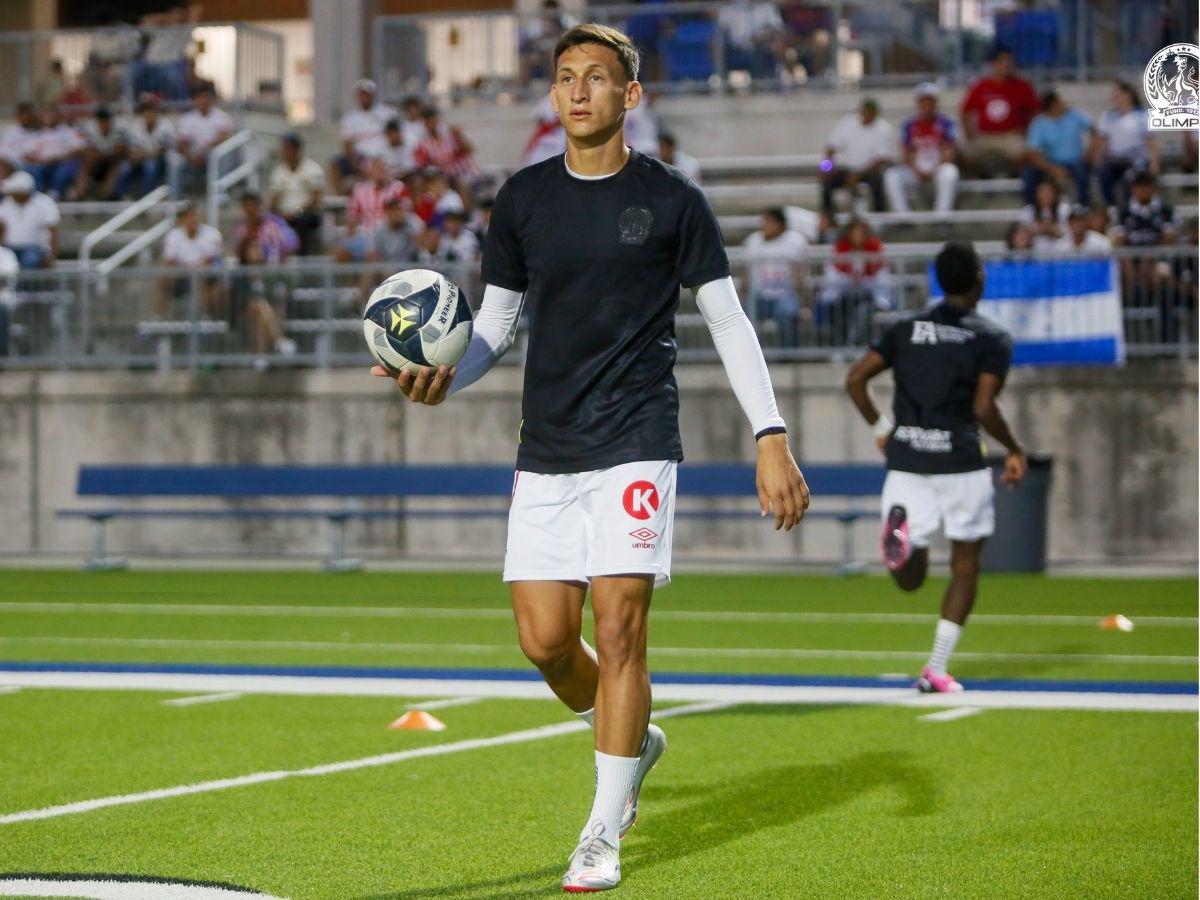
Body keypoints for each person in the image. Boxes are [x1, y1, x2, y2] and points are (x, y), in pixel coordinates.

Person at [372, 23, 808, 892]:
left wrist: (771, 435)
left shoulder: (676, 201)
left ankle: (601, 832)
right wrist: (444, 381)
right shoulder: (524, 199)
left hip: (639, 442)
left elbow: (727, 320)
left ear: (629, 96)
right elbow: (495, 327)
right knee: (544, 643)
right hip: (548, 450)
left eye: (596, 78)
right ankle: (635, 741)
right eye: (565, 77)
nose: (577, 91)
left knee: (620, 628)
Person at [844, 240, 1026, 694]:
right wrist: (1015, 449)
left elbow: (855, 379)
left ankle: (903, 541)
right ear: (979, 281)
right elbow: (984, 407)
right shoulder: (991, 338)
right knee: (965, 565)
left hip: (907, 459)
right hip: (962, 462)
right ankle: (936, 668)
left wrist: (882, 428)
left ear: (940, 281)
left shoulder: (906, 329)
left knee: (910, 581)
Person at [959, 46, 1039, 177]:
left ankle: (1011, 175)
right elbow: (965, 111)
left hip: (1010, 136)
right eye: (1002, 62)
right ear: (994, 64)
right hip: (985, 136)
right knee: (964, 155)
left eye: (1009, 63)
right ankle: (983, 177)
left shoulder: (1022, 86)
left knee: (1026, 153)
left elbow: (1035, 110)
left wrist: (1026, 130)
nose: (1006, 66)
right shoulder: (981, 86)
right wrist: (969, 133)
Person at [885, 82, 959, 215]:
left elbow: (950, 151)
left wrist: (935, 168)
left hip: (938, 166)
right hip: (916, 168)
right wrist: (916, 170)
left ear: (936, 103)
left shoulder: (946, 123)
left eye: (930, 101)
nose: (926, 106)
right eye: (923, 102)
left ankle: (942, 216)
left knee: (950, 172)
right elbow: (905, 152)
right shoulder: (908, 125)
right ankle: (903, 217)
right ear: (917, 103)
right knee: (892, 175)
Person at [741, 206, 806, 347]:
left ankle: (787, 355)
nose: (763, 225)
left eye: (768, 221)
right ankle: (753, 353)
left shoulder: (795, 241)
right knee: (741, 313)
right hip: (759, 295)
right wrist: (744, 294)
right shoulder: (753, 241)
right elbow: (745, 272)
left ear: (780, 224)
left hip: (785, 294)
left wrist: (803, 304)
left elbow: (799, 273)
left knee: (787, 312)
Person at [819, 218, 891, 344]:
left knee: (863, 312)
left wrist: (863, 280)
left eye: (862, 232)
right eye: (856, 231)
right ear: (848, 233)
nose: (859, 235)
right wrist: (849, 280)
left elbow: (882, 279)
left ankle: (853, 344)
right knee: (834, 312)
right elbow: (832, 278)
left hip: (869, 295)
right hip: (844, 295)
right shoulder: (840, 249)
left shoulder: (875, 249)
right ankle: (840, 345)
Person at [821, 98, 894, 218]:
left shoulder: (884, 129)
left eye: (870, 112)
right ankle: (827, 217)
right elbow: (830, 148)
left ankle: (880, 217)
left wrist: (858, 175)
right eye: (865, 111)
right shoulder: (847, 123)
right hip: (847, 169)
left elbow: (882, 159)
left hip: (870, 171)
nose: (867, 115)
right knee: (826, 180)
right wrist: (826, 167)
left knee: (878, 180)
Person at [1095, 80, 1159, 209]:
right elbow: (1104, 141)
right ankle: (1111, 207)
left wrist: (1154, 162)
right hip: (1115, 159)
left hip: (1135, 159)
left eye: (1117, 94)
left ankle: (1129, 209)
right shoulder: (1108, 116)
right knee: (1104, 174)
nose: (1114, 97)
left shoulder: (1142, 116)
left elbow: (1150, 141)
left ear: (1128, 95)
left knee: (1129, 180)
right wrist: (1099, 158)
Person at [1021, 90, 1093, 205]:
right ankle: (1030, 208)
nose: (1063, 103)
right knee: (1029, 173)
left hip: (1075, 161)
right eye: (1059, 102)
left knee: (1082, 170)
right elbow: (1032, 153)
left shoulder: (1075, 116)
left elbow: (1095, 131)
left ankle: (1083, 205)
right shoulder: (1039, 123)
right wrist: (1053, 169)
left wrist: (1090, 153)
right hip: (1051, 163)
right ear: (1052, 106)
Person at [337, 156, 410, 263]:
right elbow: (352, 216)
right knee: (341, 252)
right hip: (364, 233)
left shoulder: (398, 188)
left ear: (388, 169)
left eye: (383, 168)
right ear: (370, 171)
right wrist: (351, 231)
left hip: (389, 233)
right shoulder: (360, 189)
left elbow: (403, 214)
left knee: (373, 253)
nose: (380, 171)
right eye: (376, 168)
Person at [159, 201, 224, 318]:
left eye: (193, 215)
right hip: (182, 276)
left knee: (200, 276)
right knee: (162, 279)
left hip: (207, 276)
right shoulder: (173, 235)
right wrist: (187, 268)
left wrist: (193, 268)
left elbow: (209, 259)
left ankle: (202, 317)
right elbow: (170, 261)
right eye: (186, 216)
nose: (191, 219)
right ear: (181, 220)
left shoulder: (212, 233)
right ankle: (158, 319)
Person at [333, 80, 398, 195]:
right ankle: (340, 198)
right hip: (359, 156)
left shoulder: (387, 113)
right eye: (361, 94)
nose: (364, 97)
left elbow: (394, 135)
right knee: (336, 164)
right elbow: (346, 142)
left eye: (367, 93)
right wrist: (354, 160)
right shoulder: (350, 118)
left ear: (373, 95)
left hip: (383, 153)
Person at [268, 133, 325, 256]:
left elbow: (315, 198)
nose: (284, 152)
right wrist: (280, 212)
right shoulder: (279, 171)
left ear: (296, 149)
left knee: (302, 222)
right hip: (284, 215)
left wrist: (297, 212)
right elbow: (274, 198)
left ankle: (302, 257)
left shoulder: (312, 168)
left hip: (306, 213)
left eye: (287, 148)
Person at [177, 85, 234, 191]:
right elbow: (183, 142)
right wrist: (190, 157)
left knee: (218, 155)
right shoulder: (187, 118)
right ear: (194, 100)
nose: (203, 100)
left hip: (212, 155)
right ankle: (176, 200)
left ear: (212, 99)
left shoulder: (222, 117)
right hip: (192, 156)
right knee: (176, 163)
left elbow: (223, 137)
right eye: (200, 97)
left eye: (206, 97)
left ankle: (220, 193)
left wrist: (203, 153)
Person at [119, 94, 176, 199]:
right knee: (124, 167)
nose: (149, 114)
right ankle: (121, 198)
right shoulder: (137, 125)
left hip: (162, 161)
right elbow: (133, 149)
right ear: (142, 113)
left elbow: (162, 150)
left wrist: (143, 154)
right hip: (142, 159)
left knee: (150, 166)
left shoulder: (165, 125)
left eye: (151, 110)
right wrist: (135, 156)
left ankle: (147, 199)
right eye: (145, 111)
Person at [0, 171, 59, 269]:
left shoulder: (45, 204)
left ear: (24, 192)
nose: (11, 194)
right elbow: (1, 228)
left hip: (35, 249)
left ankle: (20, 284)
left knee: (29, 261)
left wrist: (52, 256)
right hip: (9, 247)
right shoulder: (6, 203)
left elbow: (53, 232)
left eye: (15, 192)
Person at [25, 105, 84, 200]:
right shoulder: (36, 133)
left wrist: (61, 157)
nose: (49, 117)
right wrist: (41, 160)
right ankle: (39, 195)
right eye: (46, 114)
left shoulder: (67, 130)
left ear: (58, 116)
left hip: (62, 162)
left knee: (67, 167)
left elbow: (79, 148)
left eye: (52, 114)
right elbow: (27, 154)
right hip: (42, 164)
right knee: (31, 169)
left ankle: (55, 193)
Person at [413, 106, 480, 185]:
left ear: (437, 118)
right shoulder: (424, 143)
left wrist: (460, 138)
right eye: (426, 119)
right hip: (446, 178)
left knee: (462, 183)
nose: (429, 122)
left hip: (466, 172)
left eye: (431, 117)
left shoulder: (452, 132)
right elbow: (423, 165)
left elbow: (471, 148)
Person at [73, 106, 128, 201]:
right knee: (88, 160)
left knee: (116, 163)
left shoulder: (119, 129)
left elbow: (120, 151)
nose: (103, 123)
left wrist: (105, 153)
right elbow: (85, 150)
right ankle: (79, 193)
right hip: (97, 162)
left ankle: (107, 194)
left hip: (114, 161)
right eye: (101, 120)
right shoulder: (90, 129)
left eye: (105, 120)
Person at [1019, 179, 1070, 250]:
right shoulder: (1027, 211)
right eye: (1042, 192)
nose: (1045, 195)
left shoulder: (1065, 209)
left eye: (1049, 191)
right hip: (1035, 252)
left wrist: (1048, 229)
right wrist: (1045, 229)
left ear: (1056, 194)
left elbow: (1068, 234)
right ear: (1036, 194)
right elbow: (1022, 235)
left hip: (1060, 252)